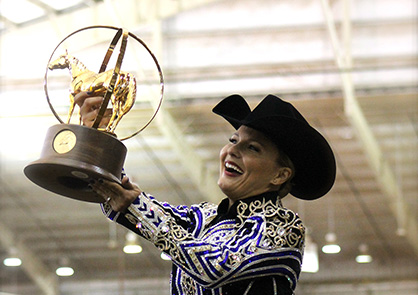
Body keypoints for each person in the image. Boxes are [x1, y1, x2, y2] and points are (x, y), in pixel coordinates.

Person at [75, 92, 336, 295]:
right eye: (233, 140)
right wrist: (97, 135)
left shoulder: (284, 227)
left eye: (253, 148)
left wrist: (138, 206)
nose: (232, 150)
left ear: (280, 175)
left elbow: (215, 267)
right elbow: (120, 198)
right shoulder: (203, 216)